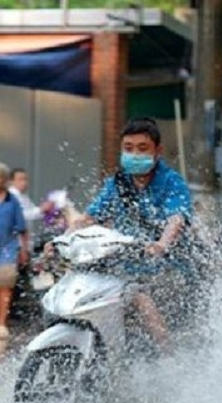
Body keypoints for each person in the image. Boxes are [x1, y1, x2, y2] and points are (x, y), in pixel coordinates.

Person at [70, 117, 193, 352]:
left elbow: (175, 219)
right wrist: (63, 239)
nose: (134, 154)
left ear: (158, 151)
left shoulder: (171, 182)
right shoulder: (117, 183)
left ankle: (170, 361)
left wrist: (160, 245)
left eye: (142, 148)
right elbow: (89, 218)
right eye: (128, 148)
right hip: (125, 267)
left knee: (139, 299)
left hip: (168, 269)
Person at [0, 164, 29, 358]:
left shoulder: (13, 201)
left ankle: (1, 322)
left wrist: (24, 250)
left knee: (5, 286)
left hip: (7, 250)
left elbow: (22, 228)